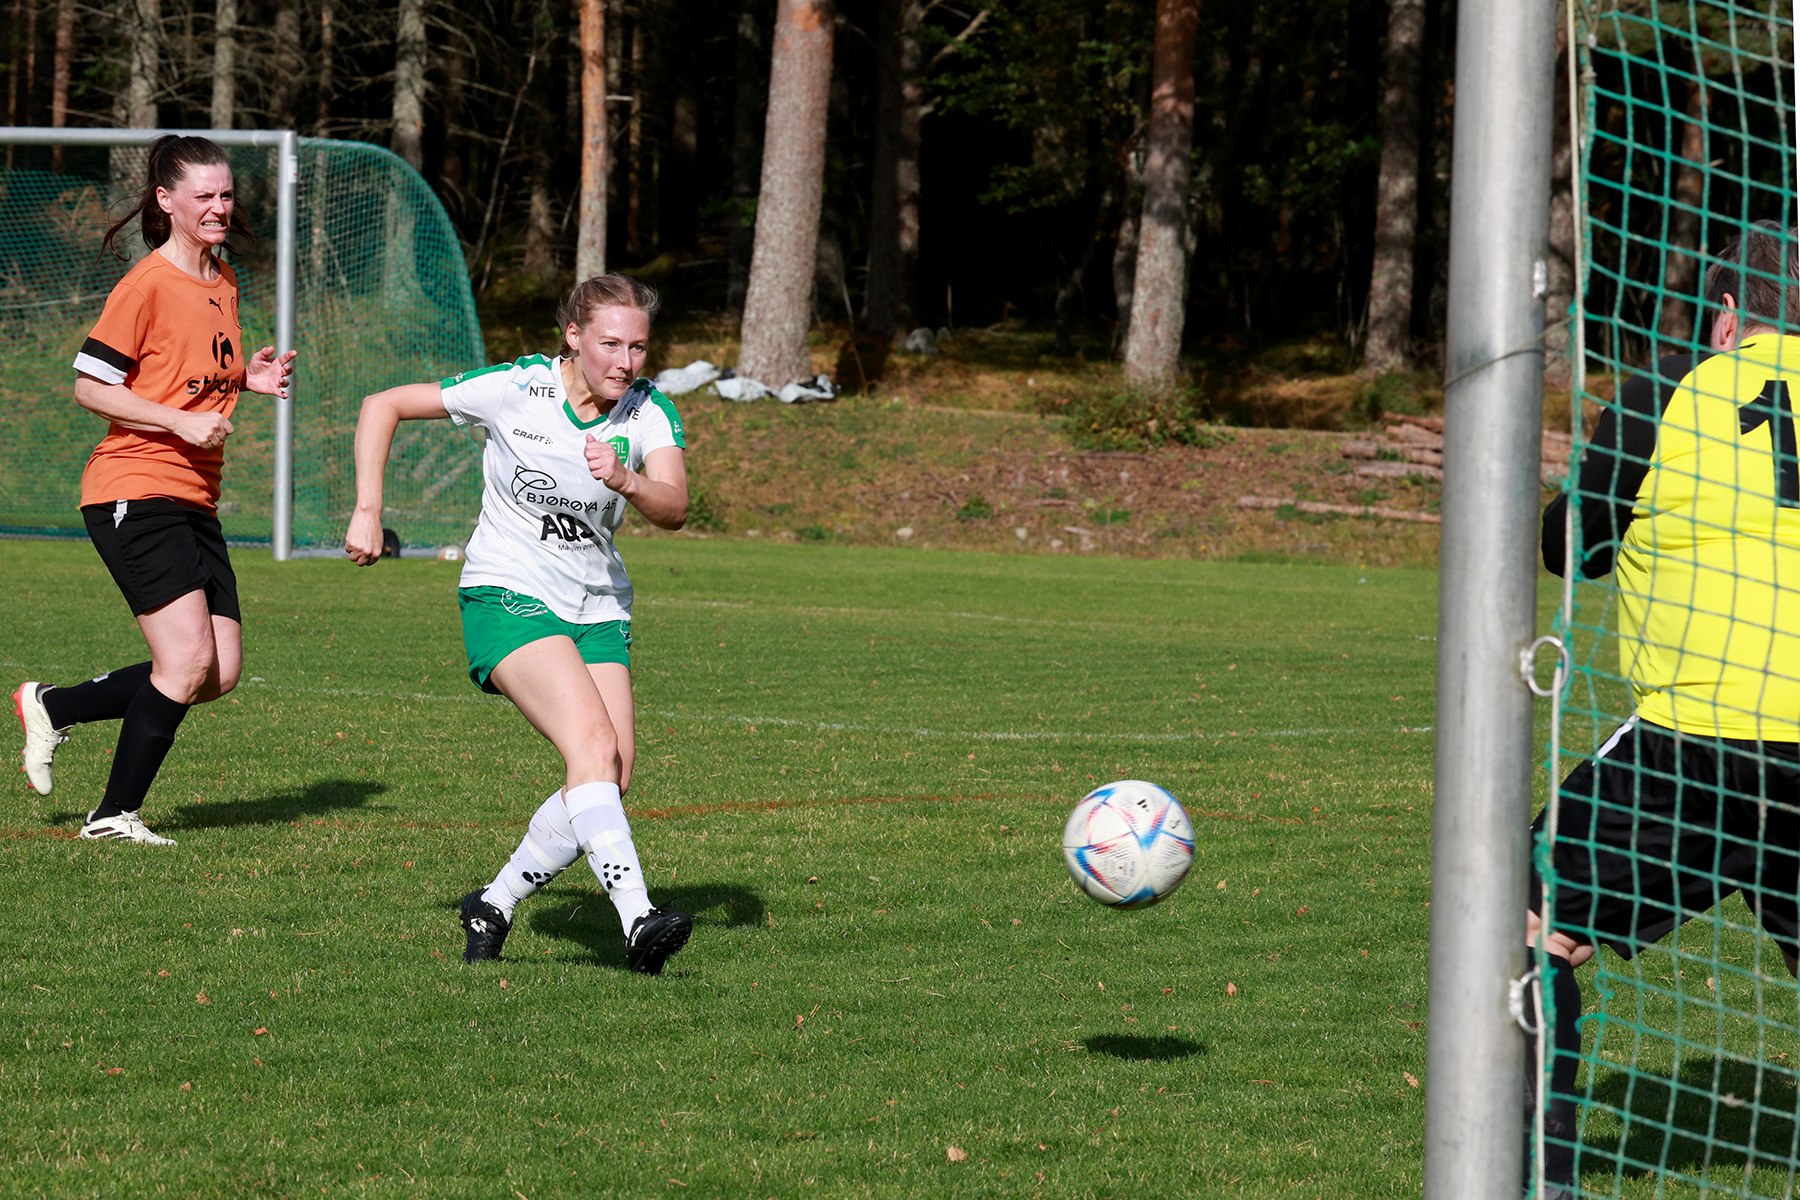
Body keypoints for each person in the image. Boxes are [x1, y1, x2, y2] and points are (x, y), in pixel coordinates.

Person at [1530, 219, 1800, 1197]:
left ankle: (1537, 1177)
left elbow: (1573, 551)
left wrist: (1575, 495)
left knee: (1525, 922)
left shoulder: (1667, 394)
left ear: (1726, 317)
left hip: (1699, 745)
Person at [344, 274, 694, 975]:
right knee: (591, 743)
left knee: (609, 772)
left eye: (638, 347)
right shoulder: (520, 387)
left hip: (596, 606)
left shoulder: (647, 412)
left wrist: (627, 481)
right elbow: (382, 404)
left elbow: (676, 504)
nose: (626, 362)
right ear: (573, 337)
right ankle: (638, 919)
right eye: (610, 345)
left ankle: (494, 903)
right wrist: (367, 508)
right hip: (507, 592)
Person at [14, 135, 295, 845]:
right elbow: (89, 385)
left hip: (195, 497)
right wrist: (175, 420)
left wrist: (248, 381)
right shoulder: (144, 284)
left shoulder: (223, 278)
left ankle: (55, 704)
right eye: (203, 195)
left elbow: (194, 375)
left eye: (226, 194)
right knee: (187, 660)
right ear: (166, 201)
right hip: (133, 489)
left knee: (218, 672)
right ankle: (111, 817)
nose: (219, 207)